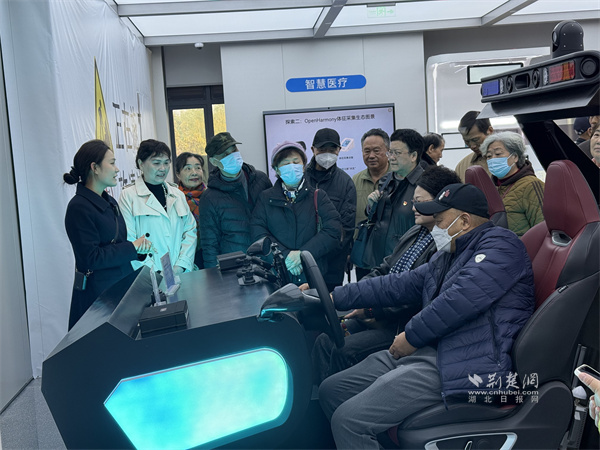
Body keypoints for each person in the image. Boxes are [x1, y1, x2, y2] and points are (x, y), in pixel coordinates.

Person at [319, 183, 535, 449]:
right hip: (431, 351)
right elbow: (397, 284)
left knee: (348, 420)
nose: (435, 228)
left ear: (464, 221)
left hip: (464, 363)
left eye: (440, 220)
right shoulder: (448, 254)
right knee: (331, 390)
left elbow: (459, 300)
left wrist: (411, 336)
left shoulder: (502, 246)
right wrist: (334, 297)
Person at [312, 166, 462, 384]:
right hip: (379, 311)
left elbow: (416, 295)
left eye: (420, 202)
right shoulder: (416, 231)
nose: (413, 208)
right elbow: (385, 269)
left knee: (343, 350)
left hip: (399, 324)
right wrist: (361, 298)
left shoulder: (444, 244)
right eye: (413, 201)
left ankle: (338, 397)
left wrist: (372, 310)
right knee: (324, 339)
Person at [64, 140, 152, 329]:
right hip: (98, 300)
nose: (117, 169)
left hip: (121, 290)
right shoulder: (78, 207)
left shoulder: (110, 201)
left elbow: (117, 243)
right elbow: (91, 258)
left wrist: (137, 250)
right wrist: (132, 247)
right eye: (112, 163)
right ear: (94, 168)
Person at [251, 141, 341, 285]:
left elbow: (333, 230)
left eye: (295, 162)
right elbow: (258, 233)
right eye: (286, 163)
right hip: (278, 276)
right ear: (276, 169)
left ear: (303, 165)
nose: (292, 166)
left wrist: (302, 254)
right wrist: (284, 256)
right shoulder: (265, 198)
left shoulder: (318, 196)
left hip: (313, 275)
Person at [119, 139, 196, 273]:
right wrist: (155, 273)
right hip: (148, 273)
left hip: (180, 271)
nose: (163, 168)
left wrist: (181, 265)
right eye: (156, 163)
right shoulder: (128, 196)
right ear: (141, 164)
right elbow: (129, 239)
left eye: (166, 163)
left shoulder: (177, 194)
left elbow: (190, 230)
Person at [356, 129, 424, 279]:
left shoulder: (426, 184)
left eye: (397, 153)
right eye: (390, 152)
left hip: (407, 263)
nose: (391, 157)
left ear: (413, 156)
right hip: (379, 261)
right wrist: (371, 206)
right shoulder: (386, 180)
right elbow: (377, 218)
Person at [199, 132, 272, 267]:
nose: (232, 156)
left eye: (234, 150)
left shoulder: (260, 179)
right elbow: (210, 244)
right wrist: (213, 274)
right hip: (237, 266)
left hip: (267, 260)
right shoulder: (209, 198)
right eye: (225, 154)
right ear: (214, 161)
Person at [305, 128, 356, 290]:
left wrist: (321, 254)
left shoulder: (346, 183)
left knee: (329, 303)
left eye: (332, 149)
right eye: (322, 149)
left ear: (339, 150)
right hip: (301, 262)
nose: (327, 154)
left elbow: (346, 229)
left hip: (332, 266)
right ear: (313, 149)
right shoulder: (300, 178)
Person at [480, 131, 545, 236]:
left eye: (498, 154)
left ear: (515, 157)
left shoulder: (531, 185)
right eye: (489, 156)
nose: (492, 159)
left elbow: (544, 227)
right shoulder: (491, 188)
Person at [352, 129, 390, 226]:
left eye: (376, 151)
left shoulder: (398, 178)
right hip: (362, 235)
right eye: (367, 151)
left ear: (388, 151)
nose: (371, 156)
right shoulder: (355, 180)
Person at [175, 152, 206, 269]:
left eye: (198, 168)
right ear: (178, 174)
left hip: (208, 255)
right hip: (180, 258)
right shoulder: (173, 199)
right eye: (188, 169)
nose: (194, 173)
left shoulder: (211, 197)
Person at [455, 111, 493, 181]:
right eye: (467, 141)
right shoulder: (462, 167)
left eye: (475, 139)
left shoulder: (508, 160)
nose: (472, 146)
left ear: (490, 131)